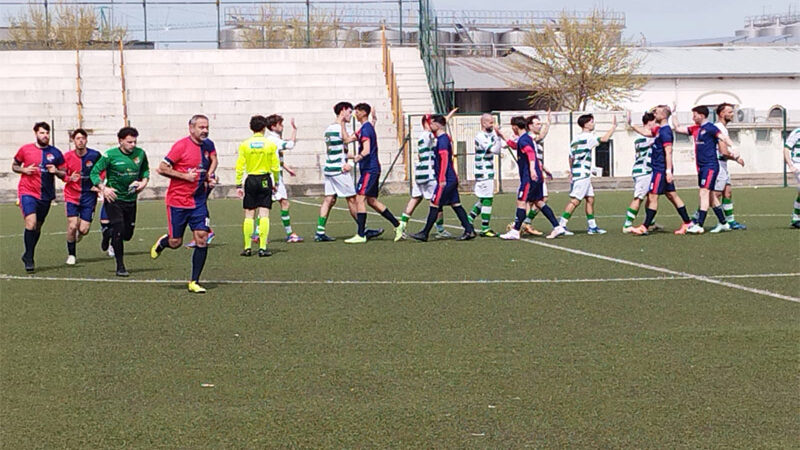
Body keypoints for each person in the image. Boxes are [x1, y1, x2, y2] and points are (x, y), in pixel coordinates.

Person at [150, 115, 216, 293]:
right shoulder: (181, 146)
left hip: (198, 201)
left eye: (207, 127)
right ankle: (164, 242)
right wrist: (185, 177)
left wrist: (209, 176)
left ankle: (194, 281)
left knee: (202, 238)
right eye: (201, 127)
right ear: (191, 128)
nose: (205, 130)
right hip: (178, 201)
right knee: (175, 242)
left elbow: (212, 161)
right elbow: (162, 168)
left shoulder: (208, 145)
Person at [89, 127, 149, 276]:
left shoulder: (140, 154)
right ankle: (120, 266)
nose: (133, 144)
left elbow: (145, 171)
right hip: (114, 198)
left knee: (127, 234)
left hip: (131, 199)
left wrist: (143, 183)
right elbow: (94, 172)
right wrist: (104, 188)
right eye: (129, 142)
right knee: (119, 229)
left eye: (135, 141)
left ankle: (106, 232)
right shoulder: (110, 155)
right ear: (120, 141)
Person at [626, 105, 694, 235]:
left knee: (653, 196)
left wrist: (668, 171)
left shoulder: (665, 131)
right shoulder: (658, 130)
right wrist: (631, 123)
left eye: (656, 112)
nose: (654, 114)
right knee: (672, 195)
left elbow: (668, 151)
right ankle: (687, 222)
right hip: (660, 168)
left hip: (661, 169)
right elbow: (645, 132)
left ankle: (645, 227)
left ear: (663, 115)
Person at [340, 102, 402, 244]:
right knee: (372, 201)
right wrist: (343, 122)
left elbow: (366, 150)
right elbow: (347, 139)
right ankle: (398, 225)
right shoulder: (365, 128)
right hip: (369, 169)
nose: (355, 113)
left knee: (360, 198)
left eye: (357, 111)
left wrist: (355, 159)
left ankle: (361, 234)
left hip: (370, 169)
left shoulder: (366, 129)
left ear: (363, 112)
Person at [409, 115, 476, 241]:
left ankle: (424, 233)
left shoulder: (442, 140)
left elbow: (445, 159)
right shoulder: (440, 138)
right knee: (456, 204)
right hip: (450, 178)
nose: (430, 125)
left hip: (446, 179)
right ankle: (469, 229)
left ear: (438, 124)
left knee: (434, 203)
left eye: (432, 122)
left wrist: (441, 178)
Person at [496, 116, 563, 240]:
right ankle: (557, 227)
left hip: (529, 177)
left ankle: (515, 231)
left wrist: (532, 169)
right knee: (539, 202)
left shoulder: (524, 140)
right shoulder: (525, 138)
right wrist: (501, 134)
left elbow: (530, 153)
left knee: (521, 201)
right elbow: (514, 145)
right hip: (536, 176)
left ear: (515, 127)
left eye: (512, 127)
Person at [396, 110, 459, 240]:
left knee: (415, 199)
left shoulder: (421, 136)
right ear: (427, 123)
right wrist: (445, 120)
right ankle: (440, 229)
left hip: (420, 173)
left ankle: (401, 226)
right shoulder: (427, 135)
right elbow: (439, 134)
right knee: (437, 202)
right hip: (429, 174)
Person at [12, 121, 66, 272]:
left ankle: (28, 253)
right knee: (31, 222)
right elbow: (14, 166)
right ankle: (29, 257)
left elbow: (64, 174)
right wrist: (23, 170)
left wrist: (55, 171)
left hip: (46, 195)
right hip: (27, 191)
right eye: (42, 133)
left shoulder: (55, 153)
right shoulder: (25, 150)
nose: (45, 136)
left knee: (38, 226)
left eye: (47, 133)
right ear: (36, 133)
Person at [672, 105, 732, 234]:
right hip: (701, 167)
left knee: (703, 193)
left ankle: (699, 224)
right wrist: (674, 113)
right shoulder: (694, 129)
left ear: (702, 115)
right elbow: (677, 128)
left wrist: (734, 148)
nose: (693, 117)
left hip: (710, 166)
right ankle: (723, 223)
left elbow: (723, 137)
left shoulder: (711, 128)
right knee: (710, 196)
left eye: (694, 115)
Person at [555, 113, 617, 235]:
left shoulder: (575, 139)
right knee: (575, 200)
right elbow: (604, 139)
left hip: (580, 173)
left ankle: (592, 226)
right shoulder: (588, 137)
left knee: (590, 199)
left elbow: (570, 157)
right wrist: (613, 127)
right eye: (592, 122)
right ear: (586, 124)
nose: (593, 124)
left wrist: (572, 171)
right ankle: (561, 225)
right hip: (583, 173)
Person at [234, 115, 281, 257]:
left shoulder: (244, 144)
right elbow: (275, 166)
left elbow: (240, 166)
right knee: (264, 213)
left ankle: (247, 247)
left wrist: (238, 184)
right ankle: (262, 247)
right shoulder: (270, 145)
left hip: (251, 179)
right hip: (265, 179)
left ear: (251, 128)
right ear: (264, 128)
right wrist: (276, 182)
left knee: (249, 214)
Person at [315, 102, 359, 242]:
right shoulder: (339, 128)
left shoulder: (329, 128)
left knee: (329, 199)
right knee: (352, 198)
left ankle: (320, 231)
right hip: (339, 170)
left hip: (329, 168)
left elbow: (338, 149)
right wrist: (366, 129)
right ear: (343, 111)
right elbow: (348, 140)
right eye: (349, 112)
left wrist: (352, 157)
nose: (351, 115)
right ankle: (363, 228)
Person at [62, 128, 102, 265]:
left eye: (83, 138)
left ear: (86, 140)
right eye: (78, 138)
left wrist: (98, 184)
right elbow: (62, 174)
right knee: (72, 226)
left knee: (84, 230)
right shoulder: (66, 156)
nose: (80, 141)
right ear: (73, 140)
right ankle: (71, 254)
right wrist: (68, 178)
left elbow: (103, 170)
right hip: (71, 195)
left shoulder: (95, 155)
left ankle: (77, 234)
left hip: (89, 196)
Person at [264, 114, 303, 243]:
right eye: (280, 124)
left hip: (272, 174)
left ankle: (258, 233)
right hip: (274, 176)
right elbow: (290, 145)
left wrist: (287, 168)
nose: (282, 126)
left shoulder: (271, 139)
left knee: (267, 204)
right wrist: (294, 130)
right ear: (273, 126)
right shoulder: (273, 140)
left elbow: (275, 157)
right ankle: (289, 233)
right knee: (283, 203)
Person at [712, 103, 747, 230]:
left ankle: (730, 221)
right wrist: (737, 158)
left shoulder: (723, 128)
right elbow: (723, 151)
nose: (732, 114)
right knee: (714, 195)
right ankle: (696, 219)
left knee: (727, 193)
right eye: (730, 112)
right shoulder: (718, 128)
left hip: (723, 165)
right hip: (717, 165)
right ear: (722, 114)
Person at [467, 113, 502, 237]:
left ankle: (469, 219)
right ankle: (485, 228)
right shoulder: (480, 136)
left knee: (483, 198)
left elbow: (500, 146)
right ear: (484, 123)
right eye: (491, 122)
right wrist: (499, 138)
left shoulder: (491, 134)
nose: (493, 125)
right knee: (488, 198)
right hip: (483, 171)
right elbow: (495, 150)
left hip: (488, 171)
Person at [622, 112, 656, 233]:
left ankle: (650, 222)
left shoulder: (645, 137)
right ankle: (627, 224)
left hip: (646, 171)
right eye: (655, 122)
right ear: (649, 122)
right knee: (639, 198)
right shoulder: (645, 137)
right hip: (643, 172)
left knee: (650, 197)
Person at [783, 127, 800, 228]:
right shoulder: (797, 132)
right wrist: (790, 165)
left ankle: (796, 218)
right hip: (798, 164)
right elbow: (786, 148)